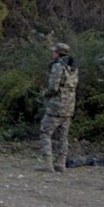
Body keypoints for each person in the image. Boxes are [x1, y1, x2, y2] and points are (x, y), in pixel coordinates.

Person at [37, 42, 79, 173]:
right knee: (63, 136)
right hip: (69, 106)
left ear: (58, 53)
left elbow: (53, 88)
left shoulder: (58, 66)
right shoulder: (74, 68)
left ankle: (48, 164)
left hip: (56, 107)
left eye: (54, 51)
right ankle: (61, 163)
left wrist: (44, 93)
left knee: (45, 132)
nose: (53, 53)